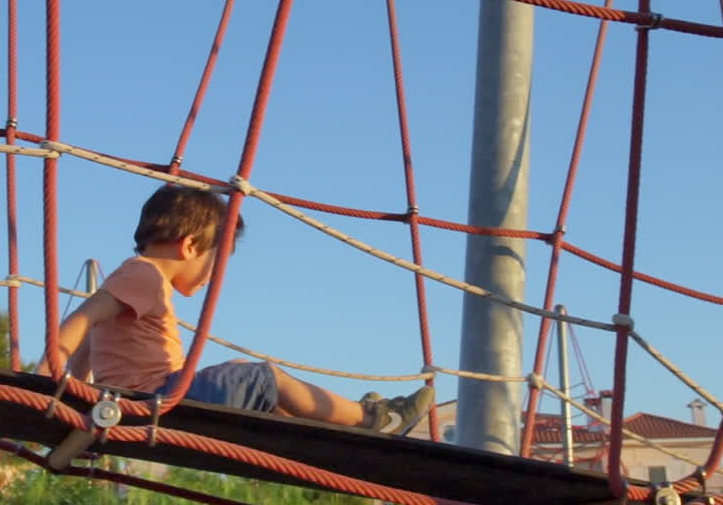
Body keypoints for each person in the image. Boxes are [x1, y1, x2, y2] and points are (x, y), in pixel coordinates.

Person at [38, 184, 434, 435]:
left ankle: (334, 428)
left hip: (141, 397)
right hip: (157, 398)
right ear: (190, 246)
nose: (213, 274)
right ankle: (376, 419)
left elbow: (91, 336)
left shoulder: (135, 280)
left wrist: (80, 390)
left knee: (264, 397)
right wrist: (48, 380)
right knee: (264, 378)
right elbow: (82, 320)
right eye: (217, 258)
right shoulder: (144, 275)